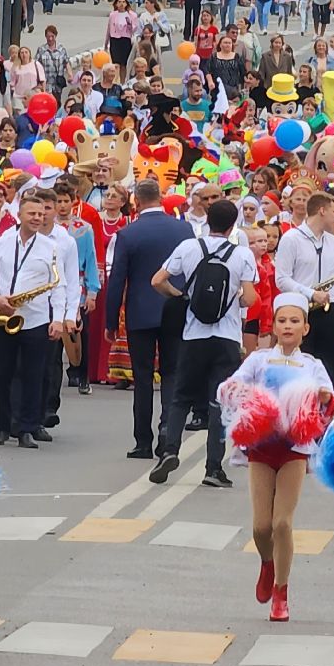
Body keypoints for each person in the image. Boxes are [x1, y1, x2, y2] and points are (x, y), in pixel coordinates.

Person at [221, 293, 332, 622]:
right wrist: (241, 393)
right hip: (261, 447)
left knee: (283, 523)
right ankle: (267, 563)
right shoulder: (259, 360)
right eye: (282, 320)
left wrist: (323, 397)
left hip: (294, 449)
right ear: (274, 325)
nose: (287, 326)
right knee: (261, 527)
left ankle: (281, 593)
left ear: (305, 328)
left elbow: (328, 399)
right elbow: (234, 384)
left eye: (294, 321)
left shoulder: (312, 365)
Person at [150, 198, 258, 487]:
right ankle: (213, 468)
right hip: (226, 337)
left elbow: (157, 280)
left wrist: (180, 296)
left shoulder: (188, 247)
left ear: (207, 220)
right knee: (219, 403)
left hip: (193, 334)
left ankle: (170, 449)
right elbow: (249, 297)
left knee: (181, 396)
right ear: (234, 224)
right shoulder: (243, 254)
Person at [105, 179, 192, 462]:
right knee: (172, 372)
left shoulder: (128, 234)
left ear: (135, 202)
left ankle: (142, 440)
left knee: (142, 377)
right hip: (175, 307)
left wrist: (110, 320)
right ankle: (168, 428)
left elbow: (117, 279)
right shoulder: (183, 229)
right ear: (161, 198)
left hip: (140, 312)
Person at [0, 188, 64, 448]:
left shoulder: (51, 247)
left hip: (36, 319)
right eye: (32, 213)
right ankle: (1, 427)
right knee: (3, 374)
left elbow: (58, 285)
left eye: (41, 214)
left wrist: (58, 318)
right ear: (20, 215)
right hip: (4, 316)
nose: (38, 218)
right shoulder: (3, 240)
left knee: (33, 375)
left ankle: (27, 428)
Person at [275, 192, 334, 393]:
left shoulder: (333, 242)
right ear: (322, 211)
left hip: (329, 309)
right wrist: (310, 293)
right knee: (301, 370)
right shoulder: (291, 239)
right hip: (302, 311)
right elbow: (282, 279)